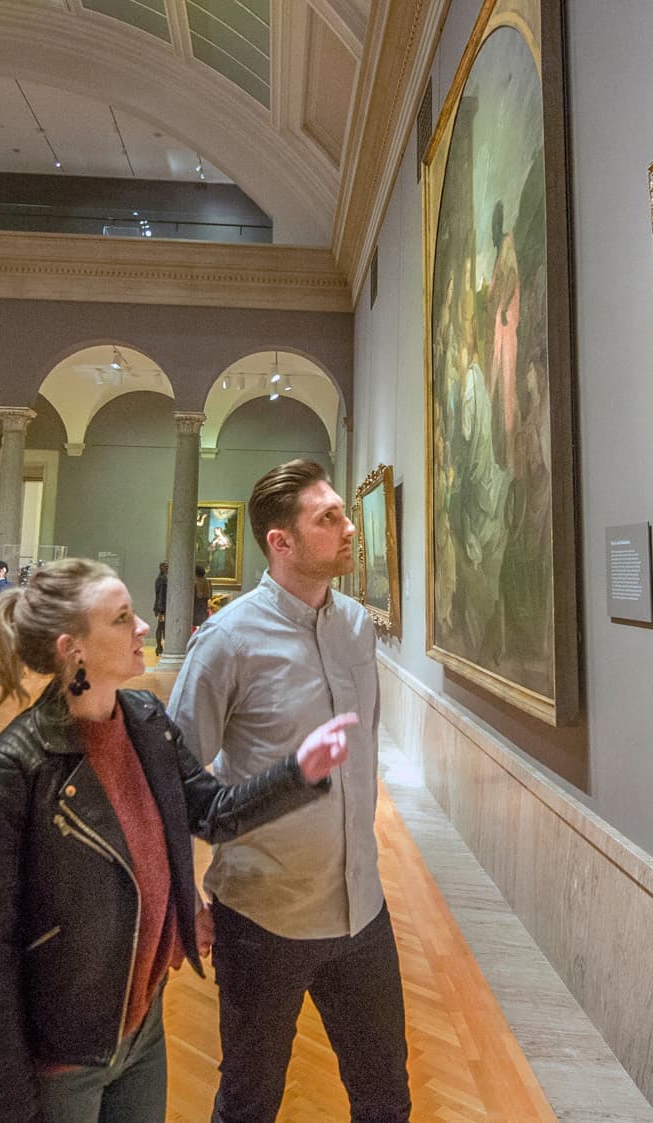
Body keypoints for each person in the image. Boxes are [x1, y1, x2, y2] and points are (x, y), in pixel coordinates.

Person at [0, 558, 357, 1123]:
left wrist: (298, 771)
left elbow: (210, 812)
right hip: (65, 1052)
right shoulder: (14, 767)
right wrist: (3, 1105)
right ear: (74, 650)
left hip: (142, 1026)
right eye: (122, 619)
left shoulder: (143, 718)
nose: (143, 626)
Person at [168, 459, 411, 1123]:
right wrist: (181, 892)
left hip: (362, 910)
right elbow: (174, 773)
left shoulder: (357, 624)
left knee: (386, 1099)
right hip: (264, 917)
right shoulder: (226, 640)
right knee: (249, 1102)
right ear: (281, 542)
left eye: (343, 511)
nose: (348, 526)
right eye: (328, 517)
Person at [152, 560, 169, 651]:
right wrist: (161, 610)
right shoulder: (162, 579)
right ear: (161, 568)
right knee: (161, 626)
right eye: (164, 566)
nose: (166, 568)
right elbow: (161, 595)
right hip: (162, 607)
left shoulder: (164, 578)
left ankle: (160, 647)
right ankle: (159, 647)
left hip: (163, 606)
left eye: (167, 566)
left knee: (163, 626)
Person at [192, 563, 213, 629]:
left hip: (197, 604)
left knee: (196, 623)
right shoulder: (207, 581)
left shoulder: (196, 582)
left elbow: (198, 595)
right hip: (204, 604)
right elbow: (209, 595)